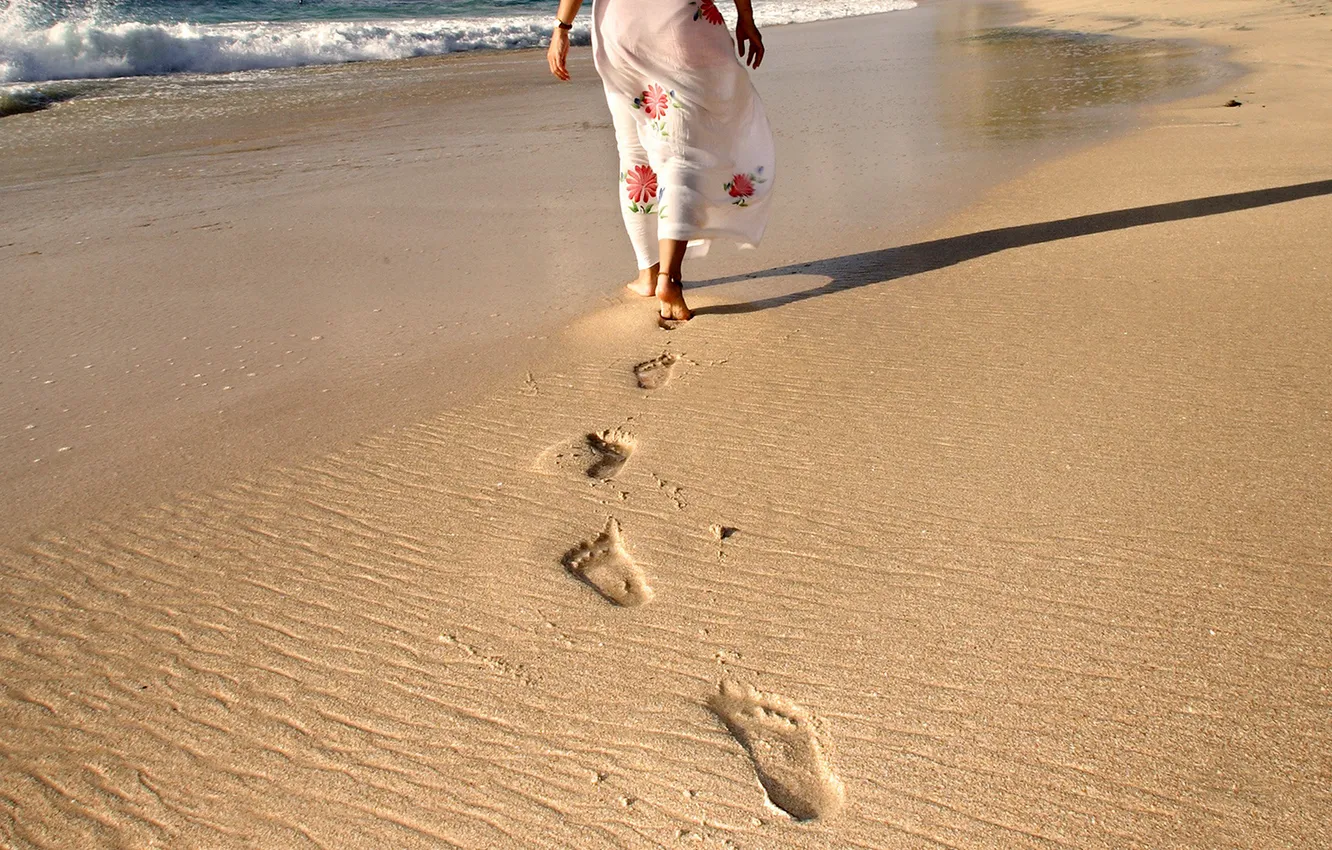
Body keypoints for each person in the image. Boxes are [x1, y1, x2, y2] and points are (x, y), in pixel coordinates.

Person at [547, 0, 775, 322]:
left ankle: (648, 274)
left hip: (621, 31)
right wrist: (746, 17)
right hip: (680, 25)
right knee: (682, 154)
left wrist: (562, 29)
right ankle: (670, 278)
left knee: (633, 152)